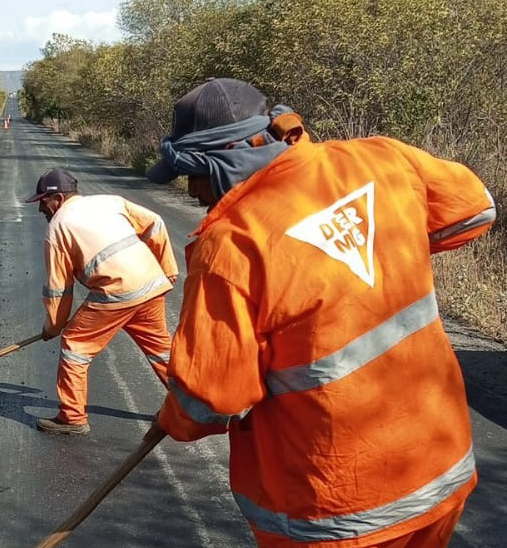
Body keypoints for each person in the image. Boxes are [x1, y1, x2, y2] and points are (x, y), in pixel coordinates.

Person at [146, 77, 497, 548]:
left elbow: (209, 399)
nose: (192, 191)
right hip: (440, 469)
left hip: (335, 509)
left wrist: (174, 417)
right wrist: (374, 259)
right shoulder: (379, 157)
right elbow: (473, 211)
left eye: (191, 175)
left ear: (223, 162)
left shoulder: (231, 246)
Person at [26, 168, 179, 436]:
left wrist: (53, 327)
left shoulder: (57, 228)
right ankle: (191, 404)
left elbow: (59, 289)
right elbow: (154, 223)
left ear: (58, 199)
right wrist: (167, 268)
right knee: (161, 351)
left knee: (75, 346)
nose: (41, 209)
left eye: (42, 201)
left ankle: (72, 417)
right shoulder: (110, 201)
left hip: (116, 292)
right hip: (151, 284)